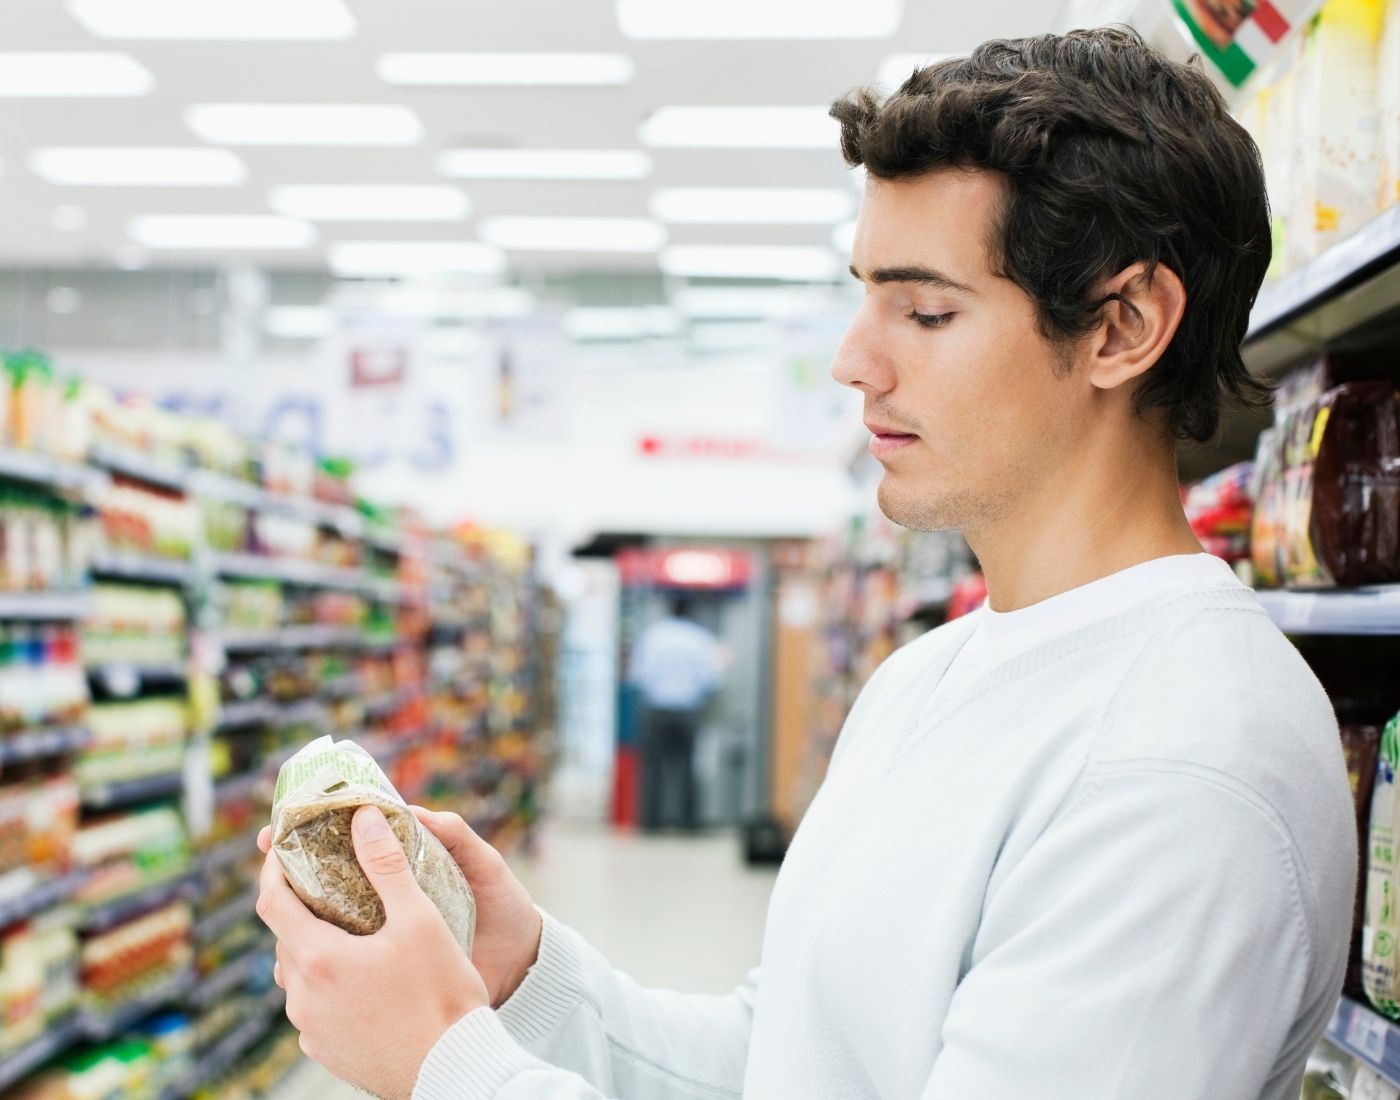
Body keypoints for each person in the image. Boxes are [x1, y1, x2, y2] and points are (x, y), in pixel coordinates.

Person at [255, 27, 1356, 1100]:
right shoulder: (925, 678)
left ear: (1121, 325)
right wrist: (523, 977)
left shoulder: (1183, 764)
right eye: (862, 294)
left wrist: (443, 1064)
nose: (851, 361)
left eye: (923, 309)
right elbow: (785, 1054)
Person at [629, 595, 724, 831]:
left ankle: (651, 822)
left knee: (653, 766)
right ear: (690, 611)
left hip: (656, 708)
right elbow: (711, 679)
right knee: (688, 768)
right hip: (688, 710)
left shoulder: (652, 636)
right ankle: (687, 823)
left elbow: (637, 675)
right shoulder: (700, 638)